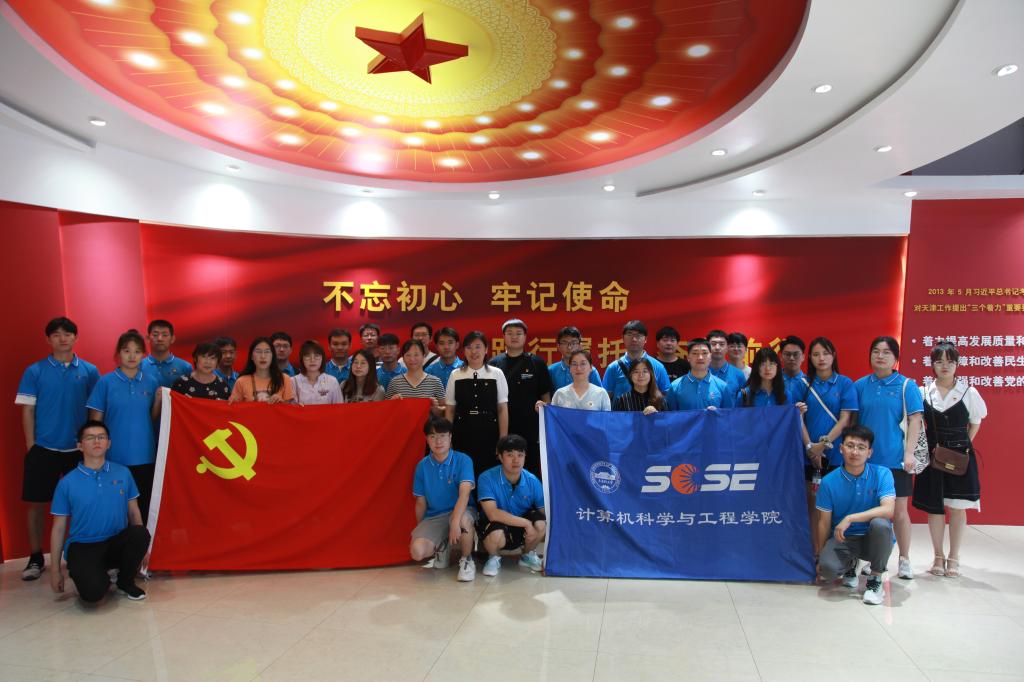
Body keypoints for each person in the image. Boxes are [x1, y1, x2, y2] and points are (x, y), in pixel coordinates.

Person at [15, 316, 99, 581]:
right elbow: (28, 410)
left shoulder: (90, 371)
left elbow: (95, 410)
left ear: (76, 337)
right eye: (56, 335)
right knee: (37, 504)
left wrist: (90, 444)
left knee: (83, 504)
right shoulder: (35, 371)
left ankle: (77, 554)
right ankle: (36, 557)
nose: (62, 339)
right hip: (43, 448)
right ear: (48, 339)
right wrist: (31, 446)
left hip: (78, 450)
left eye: (67, 334)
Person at [49, 420, 150, 603]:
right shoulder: (67, 483)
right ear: (80, 445)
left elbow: (134, 513)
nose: (97, 441)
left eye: (101, 437)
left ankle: (125, 581)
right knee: (93, 595)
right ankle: (97, 573)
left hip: (115, 541)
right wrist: (55, 570)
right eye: (90, 437)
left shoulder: (123, 473)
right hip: (83, 546)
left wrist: (143, 550)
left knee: (140, 533)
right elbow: (58, 528)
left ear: (108, 443)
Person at [913, 342, 987, 578]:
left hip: (960, 457)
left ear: (957, 364)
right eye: (939, 361)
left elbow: (975, 422)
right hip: (932, 456)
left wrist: (963, 446)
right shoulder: (923, 392)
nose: (945, 366)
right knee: (934, 508)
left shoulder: (969, 392)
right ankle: (938, 555)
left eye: (950, 361)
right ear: (932, 364)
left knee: (957, 507)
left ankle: (954, 557)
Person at [853, 336, 923, 580]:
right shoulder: (860, 385)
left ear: (896, 358)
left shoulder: (906, 385)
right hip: (866, 462)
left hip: (895, 460)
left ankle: (904, 559)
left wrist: (909, 452)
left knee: (899, 512)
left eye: (886, 352)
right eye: (876, 351)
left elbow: (915, 420)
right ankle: (873, 558)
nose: (880, 356)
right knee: (869, 512)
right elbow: (854, 422)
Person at [815, 425, 895, 606]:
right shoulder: (828, 482)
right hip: (844, 539)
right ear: (841, 448)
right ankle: (850, 564)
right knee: (827, 570)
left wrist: (851, 518)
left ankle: (875, 579)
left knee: (881, 524)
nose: (855, 452)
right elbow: (823, 523)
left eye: (861, 447)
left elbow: (888, 510)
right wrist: (821, 555)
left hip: (872, 538)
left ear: (869, 452)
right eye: (850, 446)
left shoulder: (883, 474)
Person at [86, 329, 161, 522]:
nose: (132, 356)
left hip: (145, 456)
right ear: (118, 353)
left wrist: (159, 400)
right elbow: (95, 422)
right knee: (115, 509)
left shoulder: (151, 382)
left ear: (143, 354)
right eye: (127, 351)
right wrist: (95, 452)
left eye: (137, 351)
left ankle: (141, 542)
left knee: (143, 508)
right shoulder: (105, 382)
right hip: (114, 457)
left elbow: (151, 418)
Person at [801, 337, 858, 543]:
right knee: (812, 505)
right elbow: (798, 419)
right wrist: (810, 448)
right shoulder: (803, 383)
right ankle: (815, 551)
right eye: (816, 354)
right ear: (810, 358)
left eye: (825, 353)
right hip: (808, 456)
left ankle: (836, 550)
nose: (821, 358)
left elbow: (845, 420)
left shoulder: (845, 383)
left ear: (833, 356)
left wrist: (821, 446)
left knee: (837, 504)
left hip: (836, 454)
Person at [410, 416, 477, 582]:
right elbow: (421, 502)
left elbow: (464, 494)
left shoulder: (463, 460)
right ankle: (442, 546)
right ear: (427, 440)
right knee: (417, 552)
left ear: (450, 437)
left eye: (442, 435)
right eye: (432, 436)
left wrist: (454, 522)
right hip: (436, 515)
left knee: (463, 521)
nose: (438, 441)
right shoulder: (422, 466)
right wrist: (423, 528)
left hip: (462, 510)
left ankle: (467, 560)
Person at [489, 319, 553, 478]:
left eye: (518, 333)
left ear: (525, 337)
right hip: (502, 428)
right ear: (503, 337)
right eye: (509, 333)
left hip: (530, 430)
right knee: (502, 470)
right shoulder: (494, 364)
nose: (514, 337)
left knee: (531, 472)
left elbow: (546, 397)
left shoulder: (536, 362)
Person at [477, 434, 546, 576]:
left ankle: (527, 555)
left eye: (520, 455)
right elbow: (493, 513)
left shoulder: (533, 480)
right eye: (510, 455)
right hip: (496, 523)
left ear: (525, 456)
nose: (516, 460)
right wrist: (526, 524)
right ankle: (493, 557)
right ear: (500, 457)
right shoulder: (486, 478)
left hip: (519, 525)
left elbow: (545, 512)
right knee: (496, 534)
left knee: (541, 524)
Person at [445, 331, 509, 477]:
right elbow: (450, 410)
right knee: (463, 474)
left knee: (488, 472)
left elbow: (502, 409)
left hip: (489, 432)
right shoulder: (456, 374)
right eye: (469, 347)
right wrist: (448, 437)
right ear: (463, 350)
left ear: (486, 349)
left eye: (478, 347)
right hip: (462, 432)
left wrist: (502, 439)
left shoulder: (496, 373)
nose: (473, 351)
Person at [602, 320, 671, 402]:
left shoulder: (658, 367)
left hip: (650, 410)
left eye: (638, 335)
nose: (634, 339)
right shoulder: (613, 368)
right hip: (621, 410)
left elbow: (667, 395)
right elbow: (605, 398)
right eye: (629, 334)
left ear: (645, 339)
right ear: (623, 338)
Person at [665, 338, 729, 411]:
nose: (700, 357)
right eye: (695, 353)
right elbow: (670, 416)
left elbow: (729, 415)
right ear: (688, 357)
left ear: (710, 357)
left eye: (704, 353)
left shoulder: (722, 386)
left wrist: (718, 413)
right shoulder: (675, 386)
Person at [385, 339, 445, 416]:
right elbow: (386, 411)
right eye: (408, 355)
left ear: (423, 356)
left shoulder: (435, 381)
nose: (412, 359)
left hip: (428, 423)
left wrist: (436, 409)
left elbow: (444, 408)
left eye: (416, 355)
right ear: (403, 358)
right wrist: (392, 403)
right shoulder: (394, 382)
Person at [229, 337, 296, 403]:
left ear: (273, 356)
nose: (263, 356)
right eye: (258, 352)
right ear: (252, 356)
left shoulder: (284, 379)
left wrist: (281, 402)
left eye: (267, 352)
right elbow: (234, 408)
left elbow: (290, 408)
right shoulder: (241, 381)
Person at [547, 326, 602, 391]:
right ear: (558, 346)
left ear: (580, 345)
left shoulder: (590, 371)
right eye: (565, 343)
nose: (569, 347)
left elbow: (599, 394)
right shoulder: (551, 371)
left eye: (573, 343)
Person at [143, 319, 192, 388]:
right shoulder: (138, 367)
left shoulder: (185, 367)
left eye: (165, 335)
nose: (160, 339)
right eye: (155, 335)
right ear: (148, 338)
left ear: (172, 339)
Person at [292, 339, 342, 405]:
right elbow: (289, 408)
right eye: (307, 356)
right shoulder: (293, 381)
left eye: (317, 355)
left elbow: (339, 408)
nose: (312, 360)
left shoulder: (332, 381)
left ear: (322, 358)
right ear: (302, 359)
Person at [706, 329, 744, 406]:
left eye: (722, 344)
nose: (717, 347)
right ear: (707, 347)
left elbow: (744, 403)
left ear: (727, 348)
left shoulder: (738, 374)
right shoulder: (700, 373)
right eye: (713, 344)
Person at [780, 335, 809, 404]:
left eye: (796, 354)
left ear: (803, 357)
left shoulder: (809, 383)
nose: (792, 358)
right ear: (781, 357)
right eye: (787, 354)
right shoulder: (772, 381)